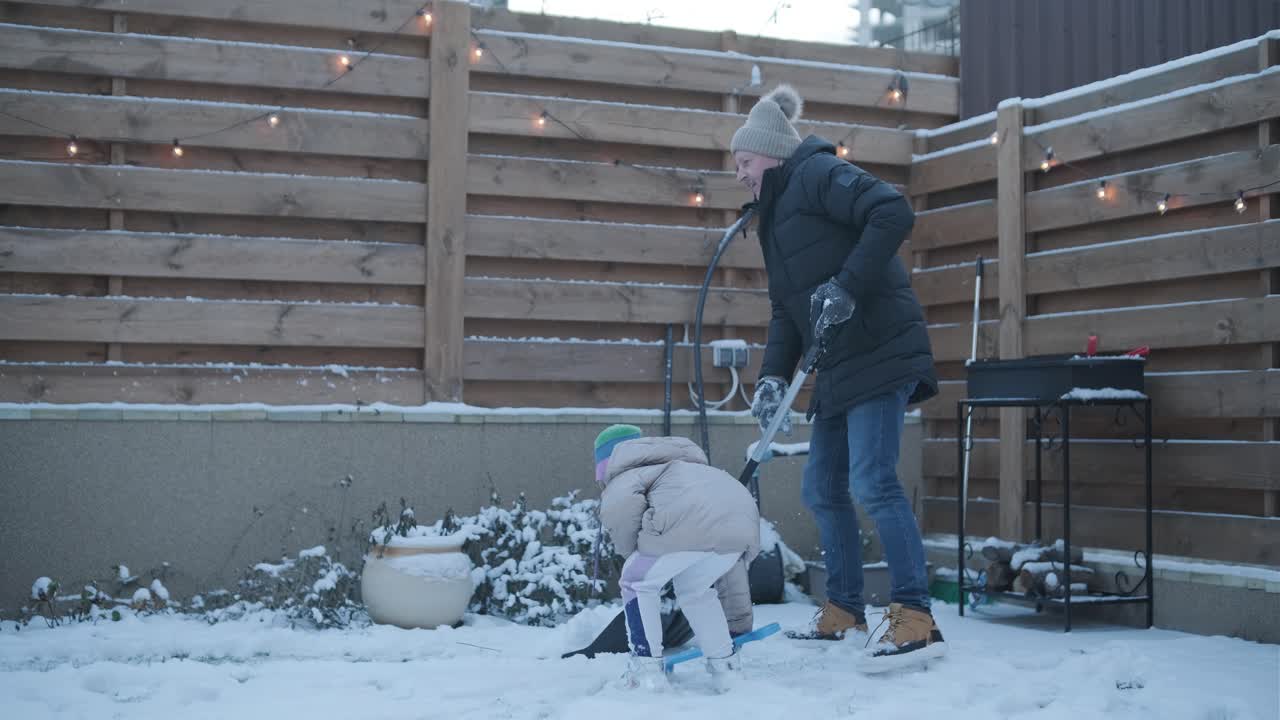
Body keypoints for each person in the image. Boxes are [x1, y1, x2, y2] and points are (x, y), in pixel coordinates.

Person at [730, 84, 946, 670]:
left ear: (771, 153)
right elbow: (786, 311)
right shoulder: (773, 219)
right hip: (840, 365)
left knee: (873, 480)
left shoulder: (819, 173)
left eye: (744, 162)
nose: (740, 175)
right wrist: (773, 377)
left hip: (880, 348)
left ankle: (914, 616)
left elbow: (892, 210)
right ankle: (845, 608)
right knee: (821, 488)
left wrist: (845, 287)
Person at [592, 424, 760, 689]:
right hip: (740, 525)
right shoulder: (687, 468)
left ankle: (646, 673)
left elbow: (621, 518)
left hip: (686, 525)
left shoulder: (626, 476)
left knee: (636, 582)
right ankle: (726, 669)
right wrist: (738, 623)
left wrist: (634, 557)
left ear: (605, 467)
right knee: (696, 591)